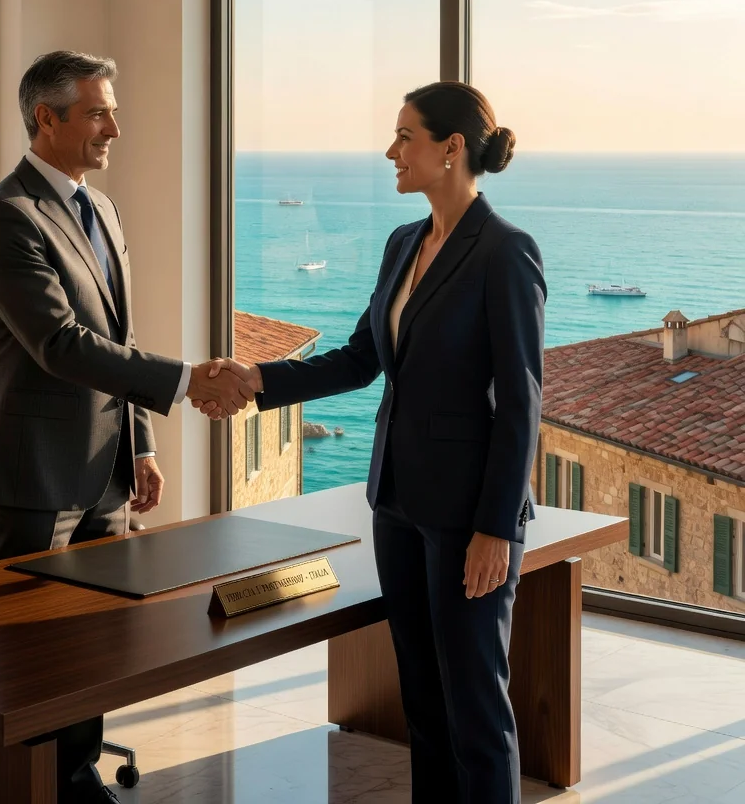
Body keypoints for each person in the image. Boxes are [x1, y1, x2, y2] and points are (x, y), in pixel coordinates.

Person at [207, 82, 546, 804]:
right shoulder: (403, 243)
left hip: (467, 519)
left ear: (452, 148)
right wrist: (255, 378)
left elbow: (522, 403)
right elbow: (361, 360)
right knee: (422, 703)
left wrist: (496, 527)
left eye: (405, 136)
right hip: (395, 502)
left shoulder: (505, 252)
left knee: (475, 711)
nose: (391, 151)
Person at [0, 50, 253, 804]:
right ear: (46, 118)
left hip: (106, 473)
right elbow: (60, 344)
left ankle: (76, 775)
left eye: (110, 110)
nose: (113, 128)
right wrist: (190, 381)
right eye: (96, 112)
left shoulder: (103, 209)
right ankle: (26, 786)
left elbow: (117, 341)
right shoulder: (5, 217)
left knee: (94, 643)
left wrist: (142, 444)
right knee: (30, 654)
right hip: (33, 477)